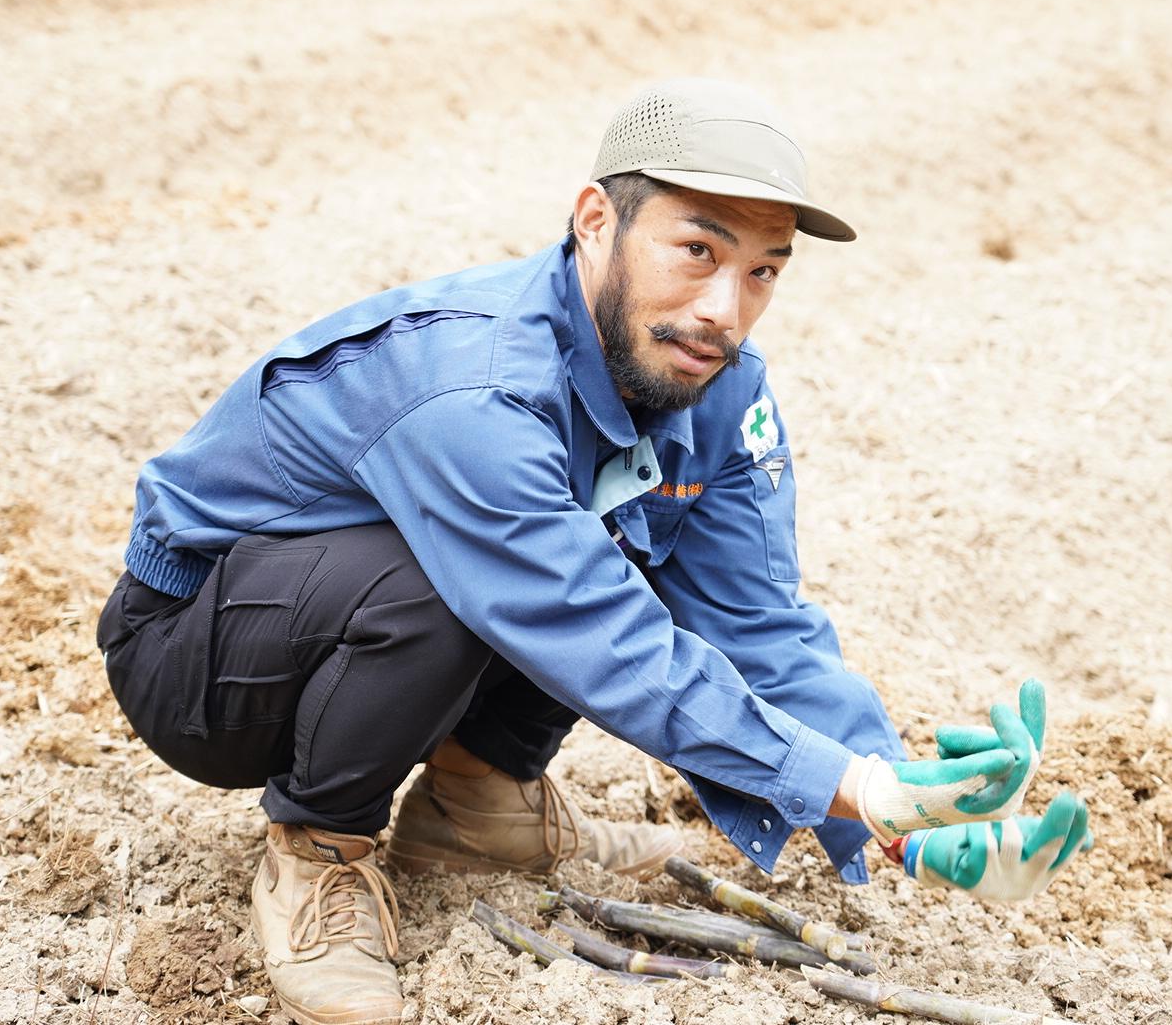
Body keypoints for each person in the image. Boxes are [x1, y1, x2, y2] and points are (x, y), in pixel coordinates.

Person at [98, 79, 1092, 1025]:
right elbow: (592, 631)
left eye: (761, 272)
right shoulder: (477, 388)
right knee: (488, 575)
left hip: (365, 625)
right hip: (205, 668)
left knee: (605, 528)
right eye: (696, 251)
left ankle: (479, 801)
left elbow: (755, 625)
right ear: (594, 223)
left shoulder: (712, 390)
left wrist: (904, 814)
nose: (724, 309)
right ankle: (321, 844)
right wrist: (852, 783)